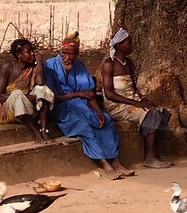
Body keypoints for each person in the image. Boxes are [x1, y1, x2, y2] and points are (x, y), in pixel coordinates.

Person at [43, 32, 131, 179]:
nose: (67, 57)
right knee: (84, 126)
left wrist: (98, 111)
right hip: (61, 108)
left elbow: (89, 93)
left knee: (106, 121)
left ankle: (115, 162)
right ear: (60, 51)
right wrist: (77, 94)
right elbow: (51, 96)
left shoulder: (79, 65)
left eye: (71, 54)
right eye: (64, 53)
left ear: (77, 54)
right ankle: (104, 164)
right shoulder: (50, 65)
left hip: (82, 105)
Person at [101, 28, 173, 169]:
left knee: (161, 112)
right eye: (129, 43)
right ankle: (149, 157)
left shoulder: (129, 63)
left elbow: (133, 88)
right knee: (150, 113)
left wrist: (143, 98)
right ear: (119, 45)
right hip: (116, 105)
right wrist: (135, 103)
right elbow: (109, 93)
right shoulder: (109, 64)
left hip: (130, 101)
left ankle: (157, 154)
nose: (132, 46)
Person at [0, 38, 54, 139]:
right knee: (17, 94)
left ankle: (43, 129)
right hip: (10, 111)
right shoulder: (8, 67)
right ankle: (35, 131)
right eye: (28, 51)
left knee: (43, 89)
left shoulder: (33, 67)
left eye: (33, 51)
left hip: (28, 109)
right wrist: (23, 97)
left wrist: (39, 63)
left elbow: (40, 83)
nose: (32, 54)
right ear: (19, 54)